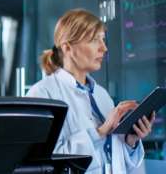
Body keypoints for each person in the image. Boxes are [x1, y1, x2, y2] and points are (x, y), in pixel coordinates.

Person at [26, 9, 155, 174]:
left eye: (103, 39)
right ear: (67, 48)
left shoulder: (102, 95)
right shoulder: (42, 94)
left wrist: (131, 141)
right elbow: (42, 164)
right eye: (95, 40)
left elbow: (113, 159)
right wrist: (100, 132)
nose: (104, 48)